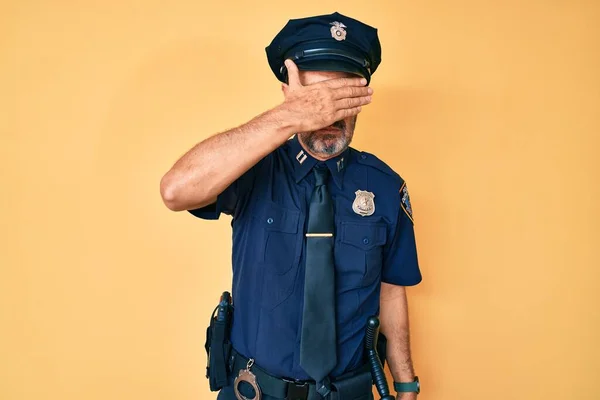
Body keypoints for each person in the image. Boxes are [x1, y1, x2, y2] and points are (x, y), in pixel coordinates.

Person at [160, 11, 422, 400]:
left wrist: (405, 385)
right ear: (288, 94)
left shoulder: (384, 186)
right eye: (315, 99)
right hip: (254, 391)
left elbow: (389, 289)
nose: (327, 114)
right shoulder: (250, 167)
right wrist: (286, 118)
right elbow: (175, 191)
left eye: (339, 98)